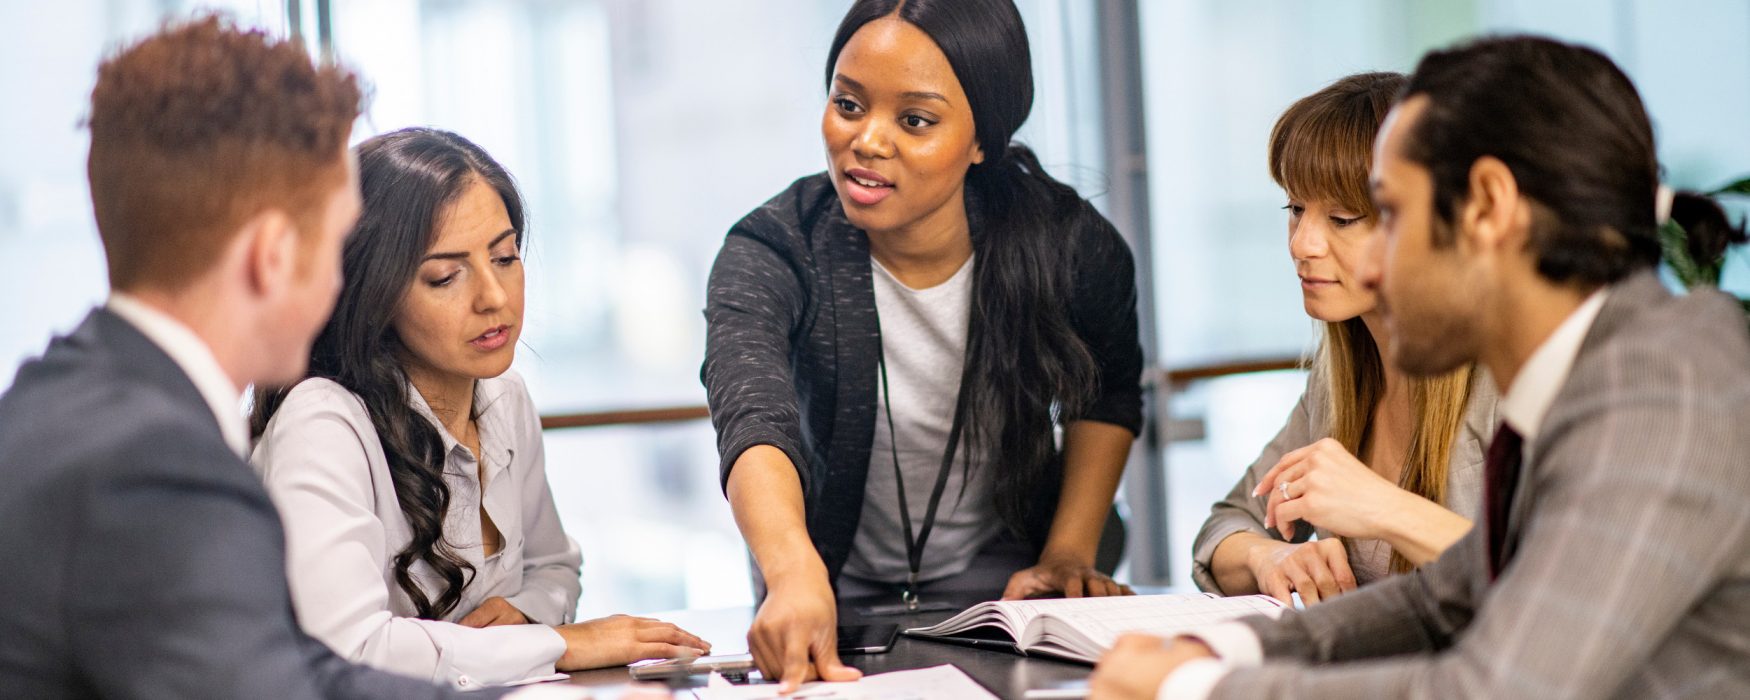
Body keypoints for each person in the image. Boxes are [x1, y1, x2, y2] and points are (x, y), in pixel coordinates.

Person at [1091, 35, 1750, 700]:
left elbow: (1502, 690)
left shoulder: (1666, 386)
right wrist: (1218, 648)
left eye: (1389, 216)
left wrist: (1198, 688)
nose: (1373, 266)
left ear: (1489, 207)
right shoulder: (1582, 371)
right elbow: (1439, 599)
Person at [0, 17, 513, 699]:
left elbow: (285, 667)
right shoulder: (153, 467)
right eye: (335, 246)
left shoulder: (68, 395)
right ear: (272, 257)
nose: (345, 283)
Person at [702, 0, 1143, 689]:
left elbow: (1110, 391)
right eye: (849, 105)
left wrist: (1068, 550)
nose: (868, 140)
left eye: (915, 120)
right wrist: (791, 572)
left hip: (1011, 587)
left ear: (981, 140)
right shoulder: (775, 247)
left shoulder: (1070, 245)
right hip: (828, 583)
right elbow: (753, 412)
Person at [250, 127, 708, 688]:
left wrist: (526, 618)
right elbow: (349, 648)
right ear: (375, 291)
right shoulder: (323, 421)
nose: (494, 296)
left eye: (505, 256)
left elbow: (553, 568)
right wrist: (558, 644)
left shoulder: (503, 395)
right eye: (445, 276)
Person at [1191, 72, 1497, 605]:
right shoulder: (1338, 380)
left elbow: (1555, 584)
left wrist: (1381, 506)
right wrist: (1271, 557)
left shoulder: (1503, 379)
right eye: (1295, 209)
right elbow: (1227, 526)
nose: (1302, 243)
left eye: (1342, 217)